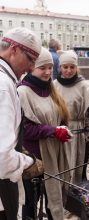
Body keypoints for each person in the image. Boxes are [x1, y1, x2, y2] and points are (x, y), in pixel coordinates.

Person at [17, 47, 72, 220]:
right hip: (34, 159)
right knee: (31, 203)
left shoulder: (51, 89)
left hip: (53, 155)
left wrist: (63, 128)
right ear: (32, 67)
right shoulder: (22, 91)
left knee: (53, 199)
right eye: (43, 68)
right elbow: (24, 129)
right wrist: (53, 131)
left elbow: (60, 116)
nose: (48, 72)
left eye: (50, 67)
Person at [0, 27, 41, 220]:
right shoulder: (4, 86)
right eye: (31, 59)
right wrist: (28, 162)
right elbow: (1, 157)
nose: (32, 68)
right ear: (14, 49)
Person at [54, 50, 89, 184]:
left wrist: (88, 133)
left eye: (72, 67)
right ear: (60, 68)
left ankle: (76, 192)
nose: (69, 70)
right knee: (62, 165)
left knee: (78, 163)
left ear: (76, 68)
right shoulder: (54, 85)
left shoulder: (83, 85)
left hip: (78, 131)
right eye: (65, 67)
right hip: (60, 130)